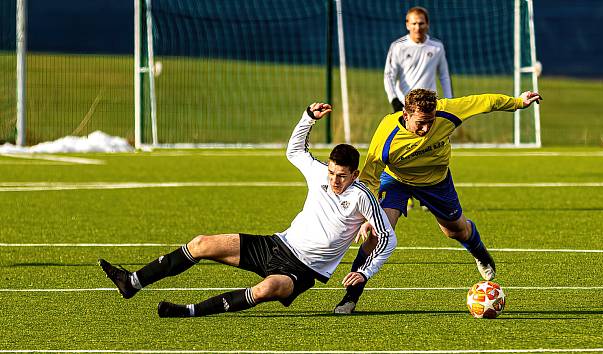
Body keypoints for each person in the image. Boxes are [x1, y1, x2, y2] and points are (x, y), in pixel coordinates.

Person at [98, 102, 397, 318]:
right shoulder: (320, 173)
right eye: (332, 172)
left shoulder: (362, 197)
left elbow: (387, 238)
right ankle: (132, 282)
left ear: (355, 175)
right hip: (276, 244)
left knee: (266, 289)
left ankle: (188, 312)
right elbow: (294, 151)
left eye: (342, 175)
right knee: (201, 243)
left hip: (303, 271)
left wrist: (365, 272)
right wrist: (307, 118)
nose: (334, 180)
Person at [334, 88, 542, 314]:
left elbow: (484, 102)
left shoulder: (447, 112)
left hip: (436, 182)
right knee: (376, 234)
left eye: (430, 122)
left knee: (455, 231)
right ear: (406, 115)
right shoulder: (386, 134)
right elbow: (370, 178)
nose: (426, 129)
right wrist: (369, 216)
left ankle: (481, 254)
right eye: (420, 123)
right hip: (397, 180)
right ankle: (351, 297)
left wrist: (518, 102)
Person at [384, 6, 453, 113]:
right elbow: (389, 76)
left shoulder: (437, 47)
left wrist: (449, 100)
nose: (417, 27)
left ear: (427, 24)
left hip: (430, 104)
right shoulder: (398, 46)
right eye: (414, 23)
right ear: (407, 25)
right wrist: (394, 100)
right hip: (405, 105)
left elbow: (444, 76)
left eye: (421, 23)